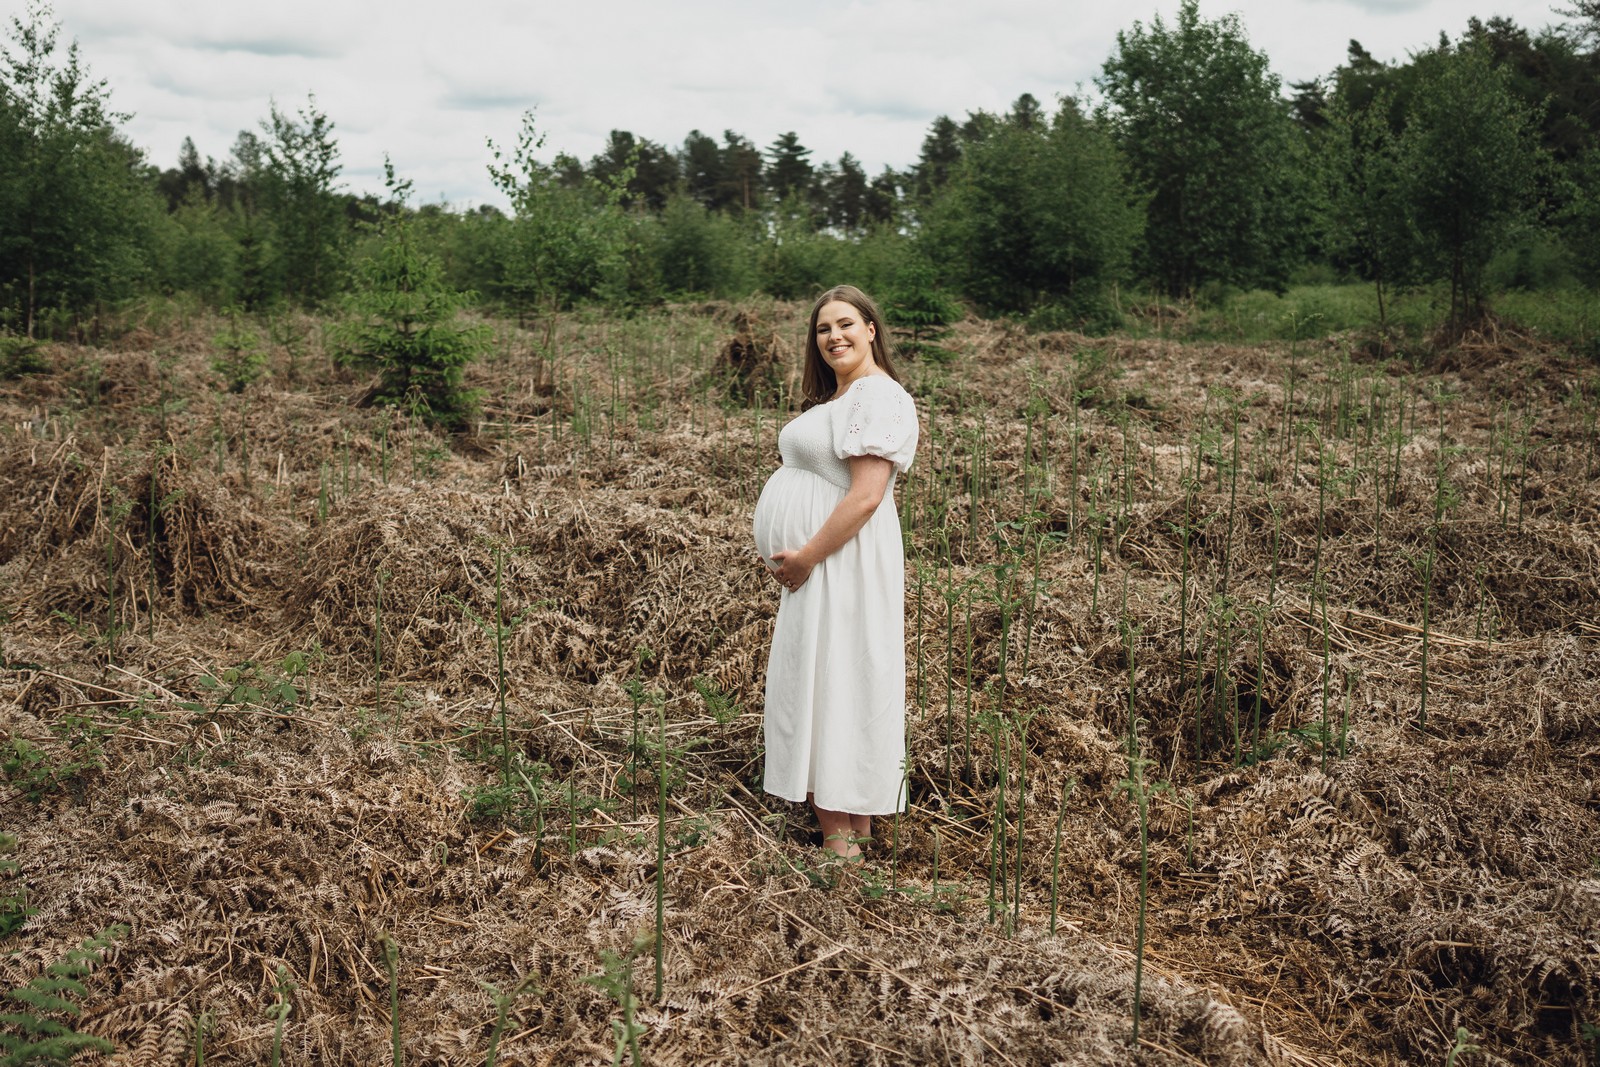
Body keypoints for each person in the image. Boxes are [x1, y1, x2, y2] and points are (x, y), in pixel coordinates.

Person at [752, 284, 919, 859]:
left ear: (872, 328)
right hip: (826, 564)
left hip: (839, 561)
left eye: (846, 324)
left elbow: (868, 496)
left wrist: (805, 556)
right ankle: (851, 833)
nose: (834, 337)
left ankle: (841, 840)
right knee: (833, 674)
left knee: (833, 677)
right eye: (823, 329)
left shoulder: (877, 395)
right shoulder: (841, 400)